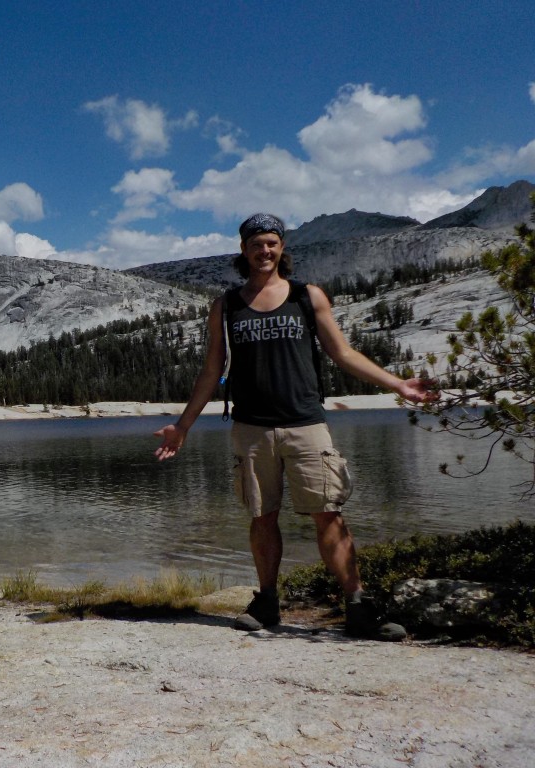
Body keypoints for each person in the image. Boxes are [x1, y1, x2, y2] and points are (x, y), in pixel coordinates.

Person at [154, 213, 438, 640]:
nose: (264, 251)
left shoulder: (307, 296)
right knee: (262, 516)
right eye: (255, 244)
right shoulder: (227, 305)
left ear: (282, 247)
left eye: (271, 243)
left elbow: (342, 353)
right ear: (243, 250)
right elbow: (211, 371)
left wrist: (398, 383)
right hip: (250, 427)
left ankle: (358, 605)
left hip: (305, 423)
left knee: (329, 513)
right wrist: (183, 427)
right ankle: (267, 601)